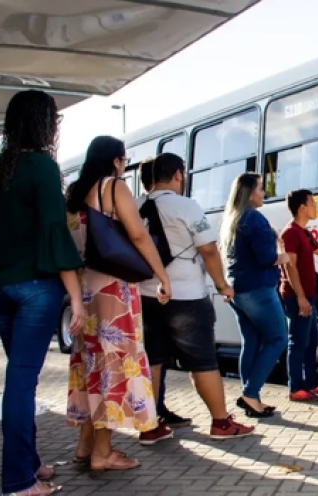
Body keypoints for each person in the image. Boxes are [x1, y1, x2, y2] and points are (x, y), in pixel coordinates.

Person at [0, 89, 85, 496]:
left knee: (20, 381)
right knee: (21, 383)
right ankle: (19, 483)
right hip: (35, 290)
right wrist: (75, 297)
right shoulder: (42, 167)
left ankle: (31, 465)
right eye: (54, 120)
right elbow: (54, 236)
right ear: (44, 124)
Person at [65, 136, 171, 472]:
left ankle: (84, 446)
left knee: (91, 367)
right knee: (114, 368)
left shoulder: (73, 195)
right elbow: (138, 235)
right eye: (125, 160)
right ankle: (103, 452)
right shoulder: (113, 187)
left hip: (84, 292)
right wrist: (160, 276)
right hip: (114, 291)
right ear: (115, 161)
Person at [139, 152, 255, 438]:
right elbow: (208, 249)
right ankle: (221, 423)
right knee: (202, 360)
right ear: (178, 174)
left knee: (152, 360)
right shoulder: (186, 206)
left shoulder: (135, 205)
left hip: (146, 294)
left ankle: (150, 425)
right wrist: (221, 285)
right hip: (186, 296)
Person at [220, 173, 288, 418]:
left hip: (238, 290)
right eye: (260, 188)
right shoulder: (255, 218)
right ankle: (250, 394)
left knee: (251, 342)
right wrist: (283, 257)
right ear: (250, 192)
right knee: (278, 339)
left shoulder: (233, 219)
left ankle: (251, 398)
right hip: (259, 289)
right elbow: (266, 258)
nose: (264, 193)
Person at [137, 157, 192, 430]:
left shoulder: (137, 206)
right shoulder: (160, 206)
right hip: (159, 289)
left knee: (156, 355)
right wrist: (163, 277)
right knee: (156, 357)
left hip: (141, 290)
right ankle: (150, 415)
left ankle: (155, 409)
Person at [279, 189, 318, 401]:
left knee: (312, 340)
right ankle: (295, 388)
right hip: (296, 297)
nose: (316, 207)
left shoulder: (304, 233)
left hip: (308, 296)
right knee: (298, 341)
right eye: (312, 203)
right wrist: (301, 297)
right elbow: (289, 267)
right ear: (302, 208)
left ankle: (312, 384)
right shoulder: (291, 233)